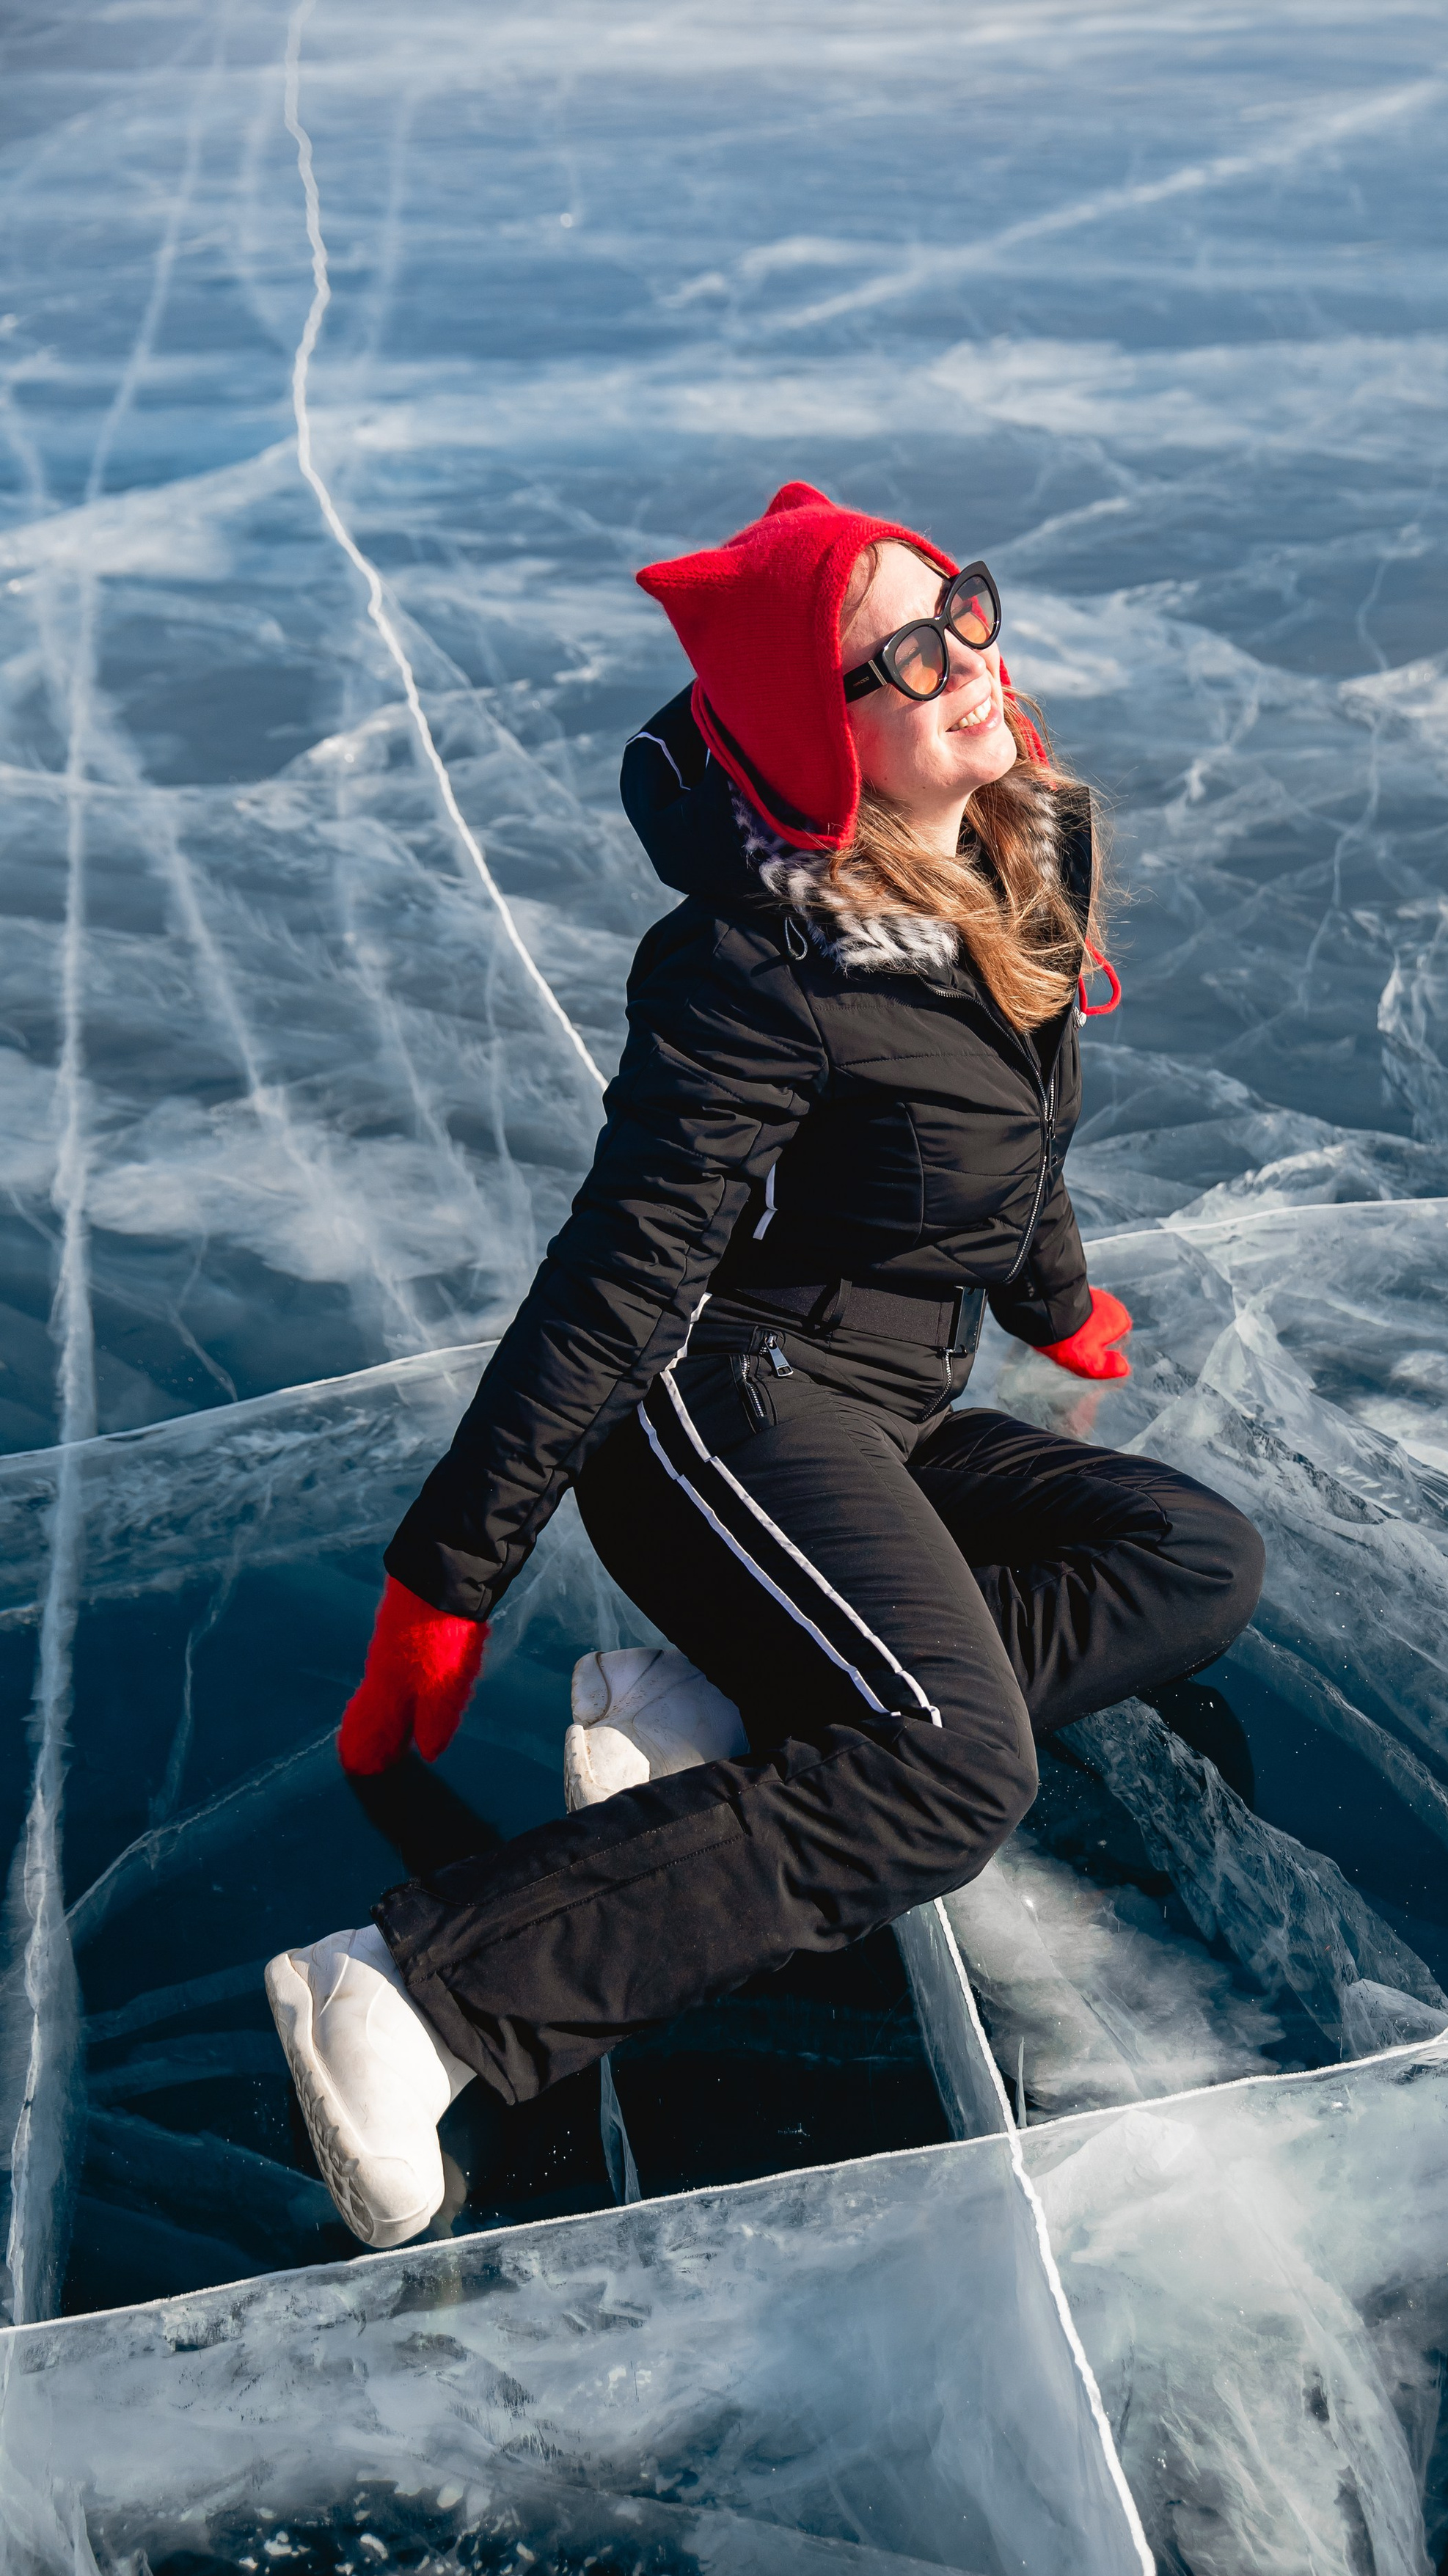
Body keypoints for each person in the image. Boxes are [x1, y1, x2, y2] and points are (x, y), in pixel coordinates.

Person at [265, 482, 1265, 2249]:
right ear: (819, 727)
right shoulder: (750, 970)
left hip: (880, 1409)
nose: (963, 655)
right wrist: (445, 1582)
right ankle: (415, 1997)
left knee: (1189, 1558)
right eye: (894, 650)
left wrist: (1054, 1304)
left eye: (956, 605)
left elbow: (1023, 1125)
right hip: (716, 1411)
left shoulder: (1023, 845)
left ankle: (717, 1708)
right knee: (952, 1768)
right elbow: (619, 1273)